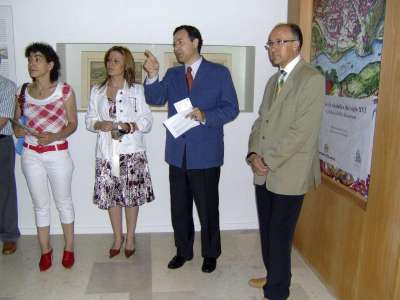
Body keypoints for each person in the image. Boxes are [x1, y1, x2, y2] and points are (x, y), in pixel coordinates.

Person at [143, 25, 239, 273]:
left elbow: (231, 108)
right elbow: (155, 98)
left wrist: (205, 115)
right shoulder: (174, 74)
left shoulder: (219, 73)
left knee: (208, 209)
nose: (176, 47)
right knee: (180, 208)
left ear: (195, 42)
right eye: (174, 43)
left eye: (180, 42)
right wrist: (152, 75)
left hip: (206, 154)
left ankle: (210, 254)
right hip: (177, 153)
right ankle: (183, 251)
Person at [247, 23, 324, 300]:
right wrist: (253, 155)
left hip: (289, 172)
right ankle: (273, 276)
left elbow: (302, 132)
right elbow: (261, 121)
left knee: (280, 234)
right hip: (263, 169)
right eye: (270, 43)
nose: (272, 49)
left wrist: (267, 159)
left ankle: (278, 291)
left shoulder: (311, 79)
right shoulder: (273, 80)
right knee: (267, 230)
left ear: (296, 45)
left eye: (278, 42)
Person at [13, 42, 78, 271]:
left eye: (37, 58)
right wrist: (19, 130)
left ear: (50, 64)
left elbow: (72, 124)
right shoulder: (22, 91)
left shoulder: (65, 91)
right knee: (40, 205)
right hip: (30, 155)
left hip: (57, 154)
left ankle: (69, 248)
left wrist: (54, 136)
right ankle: (45, 250)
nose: (32, 63)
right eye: (30, 59)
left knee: (63, 203)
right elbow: (17, 124)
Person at [85, 46, 154, 259]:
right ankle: (118, 236)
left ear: (126, 65)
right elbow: (88, 120)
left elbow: (147, 121)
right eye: (109, 60)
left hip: (130, 152)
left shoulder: (137, 90)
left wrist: (130, 126)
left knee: (131, 196)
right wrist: (99, 125)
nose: (110, 64)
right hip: (109, 154)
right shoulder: (97, 90)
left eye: (116, 60)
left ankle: (131, 236)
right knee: (113, 196)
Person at [0, 57, 20, 256]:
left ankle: (9, 236)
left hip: (1, 143)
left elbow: (2, 119)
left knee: (5, 192)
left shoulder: (6, 86)